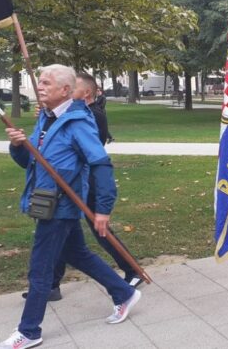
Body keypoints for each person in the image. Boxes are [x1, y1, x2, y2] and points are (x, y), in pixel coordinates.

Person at [0, 65, 140, 349]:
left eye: (46, 82)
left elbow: (100, 163)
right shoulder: (46, 119)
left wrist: (103, 208)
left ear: (65, 90)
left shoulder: (78, 123)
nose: (39, 86)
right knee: (78, 254)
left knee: (40, 269)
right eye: (39, 82)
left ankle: (29, 331)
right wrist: (18, 146)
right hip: (47, 202)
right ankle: (123, 292)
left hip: (62, 205)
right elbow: (31, 164)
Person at [43, 73, 142, 301]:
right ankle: (52, 284)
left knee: (99, 229)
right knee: (64, 230)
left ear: (86, 92)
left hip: (91, 182)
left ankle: (132, 269)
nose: (66, 89)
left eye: (73, 86)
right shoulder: (73, 113)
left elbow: (83, 147)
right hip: (74, 182)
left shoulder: (92, 115)